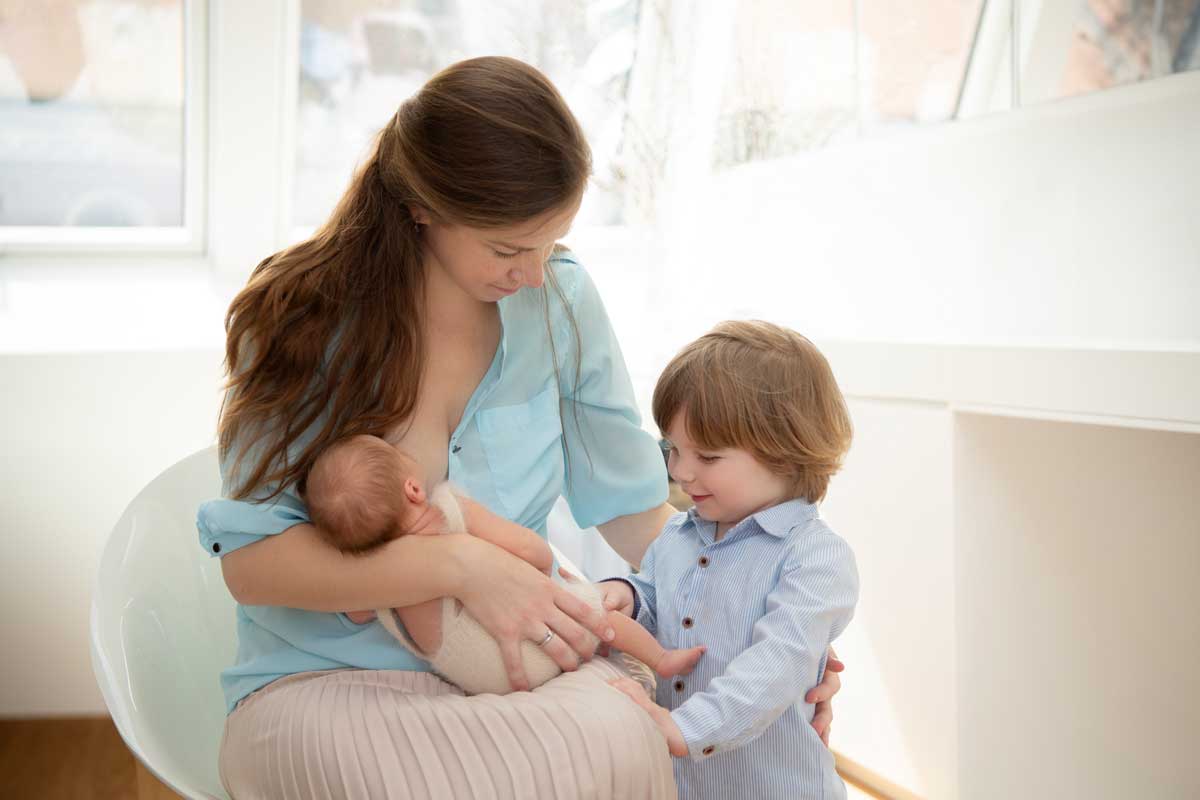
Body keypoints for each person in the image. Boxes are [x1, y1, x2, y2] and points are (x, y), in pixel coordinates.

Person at [196, 56, 841, 799]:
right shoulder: (300, 316)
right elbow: (254, 565)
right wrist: (465, 567)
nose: (534, 274)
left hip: (524, 676)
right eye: (508, 249)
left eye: (551, 242)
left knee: (633, 742)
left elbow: (642, 513)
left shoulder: (559, 302)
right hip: (321, 683)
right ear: (422, 207)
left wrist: (768, 630)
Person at [602, 321, 859, 800]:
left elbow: (774, 667)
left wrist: (683, 729)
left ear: (785, 451)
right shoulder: (680, 534)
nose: (679, 470)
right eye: (672, 449)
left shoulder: (815, 558)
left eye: (708, 456)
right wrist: (628, 596)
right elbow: (658, 597)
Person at [304, 433, 707, 693]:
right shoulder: (449, 511)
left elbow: (356, 613)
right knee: (599, 612)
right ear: (412, 488)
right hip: (547, 642)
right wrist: (544, 573)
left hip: (492, 681)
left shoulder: (378, 578)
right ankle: (661, 659)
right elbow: (534, 552)